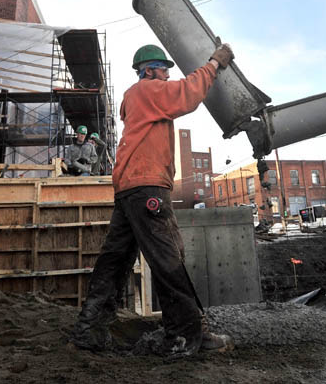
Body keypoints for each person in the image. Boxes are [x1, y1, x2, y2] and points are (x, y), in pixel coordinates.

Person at [70, 43, 234, 358]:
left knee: (114, 261)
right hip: (147, 187)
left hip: (128, 188)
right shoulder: (149, 90)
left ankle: (88, 331)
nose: (167, 74)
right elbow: (188, 93)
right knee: (167, 257)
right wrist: (214, 63)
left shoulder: (136, 99)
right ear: (149, 70)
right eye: (163, 69)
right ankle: (184, 336)